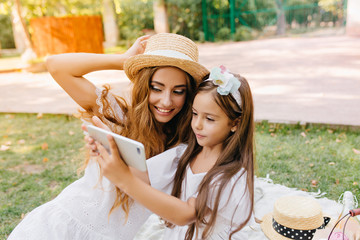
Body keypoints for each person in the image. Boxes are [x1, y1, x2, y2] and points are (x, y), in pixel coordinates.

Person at [7, 33, 209, 239]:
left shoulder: (191, 146)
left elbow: (186, 211)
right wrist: (123, 60)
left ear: (189, 93)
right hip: (61, 227)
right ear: (143, 85)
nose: (166, 101)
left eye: (178, 91)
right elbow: (56, 65)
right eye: (156, 88)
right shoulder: (118, 117)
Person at [96, 66, 255, 239]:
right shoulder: (185, 154)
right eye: (195, 114)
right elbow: (144, 175)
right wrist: (111, 145)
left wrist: (124, 180)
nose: (197, 125)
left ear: (235, 124)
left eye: (209, 119)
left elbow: (185, 214)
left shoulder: (229, 176)